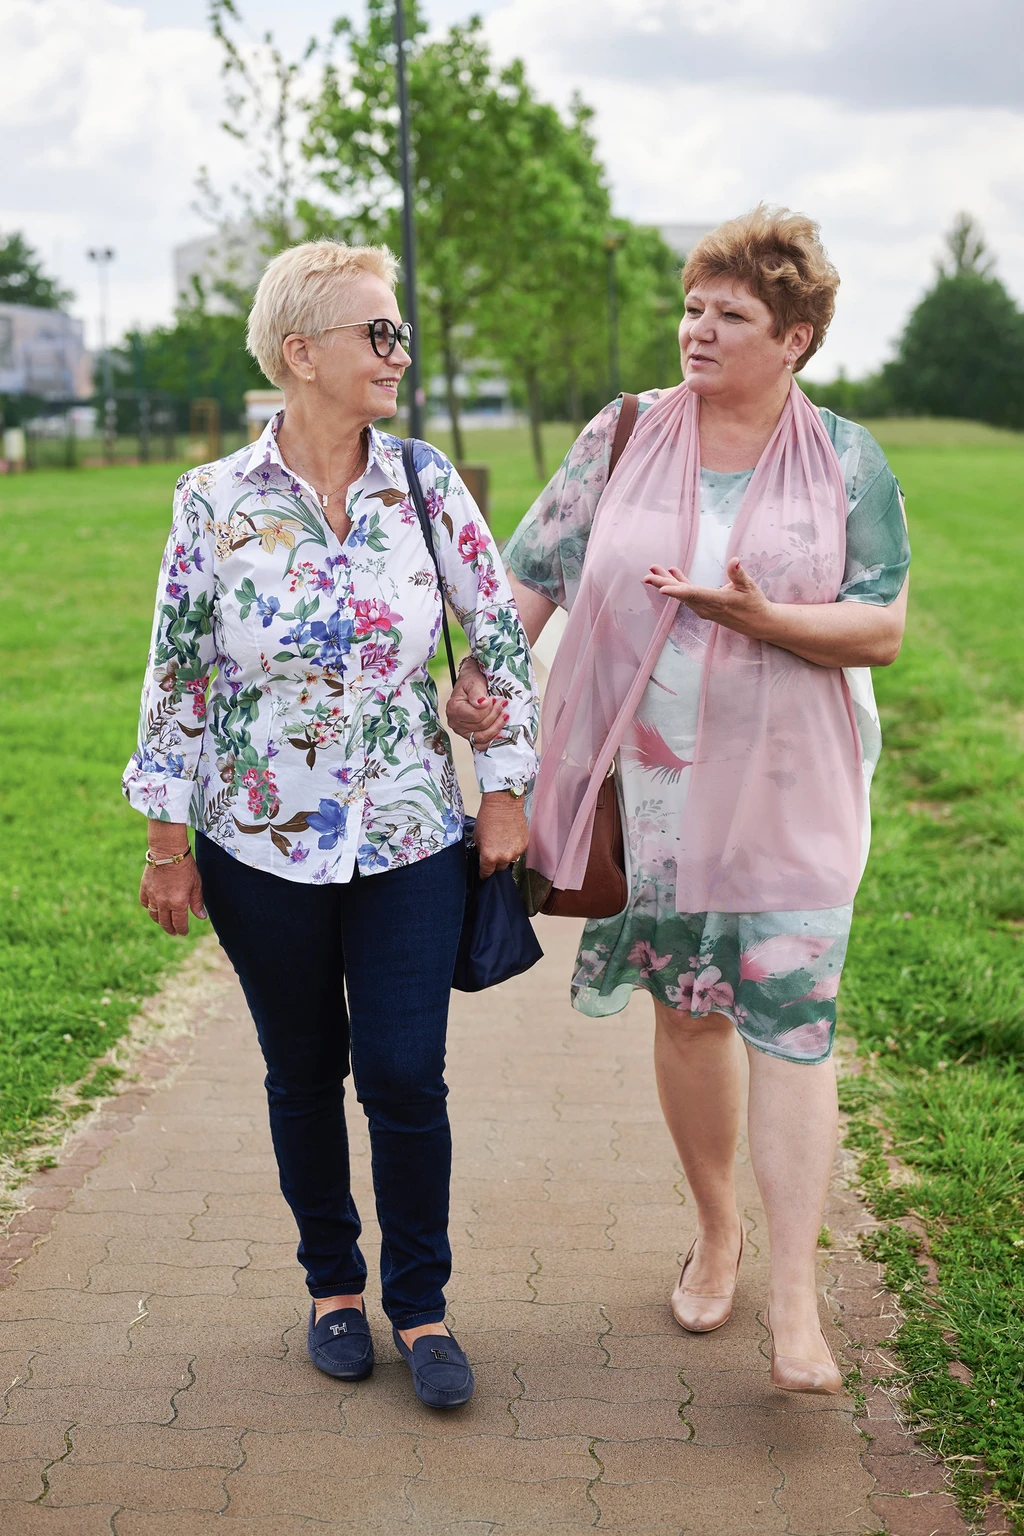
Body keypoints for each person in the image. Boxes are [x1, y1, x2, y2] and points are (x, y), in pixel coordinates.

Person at [448, 207, 909, 1395]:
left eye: (730, 315)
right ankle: (716, 1233)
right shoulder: (621, 435)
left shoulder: (846, 460)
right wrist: (484, 688)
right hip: (651, 792)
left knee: (793, 1022)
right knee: (692, 1014)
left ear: (794, 338)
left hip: (795, 790)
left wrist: (764, 619)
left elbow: (881, 626)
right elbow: (525, 580)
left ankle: (796, 1302)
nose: (698, 330)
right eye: (692, 308)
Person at [124, 239, 539, 1409]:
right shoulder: (212, 500)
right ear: (300, 353)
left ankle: (422, 1304)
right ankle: (333, 1288)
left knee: (404, 1074)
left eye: (399, 332)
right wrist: (166, 842)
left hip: (409, 833)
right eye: (379, 333)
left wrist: (502, 779)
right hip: (258, 844)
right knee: (302, 1071)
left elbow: (496, 635)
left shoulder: (424, 482)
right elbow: (179, 676)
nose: (399, 353)